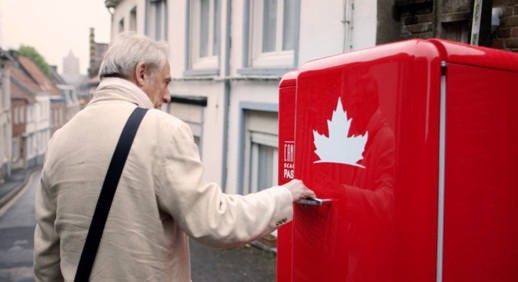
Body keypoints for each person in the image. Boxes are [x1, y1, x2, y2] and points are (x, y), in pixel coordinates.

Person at [33, 32, 314, 282]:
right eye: (165, 82)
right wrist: (283, 196)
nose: (167, 96)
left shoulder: (60, 139)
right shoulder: (162, 130)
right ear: (141, 74)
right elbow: (215, 222)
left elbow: (47, 258)